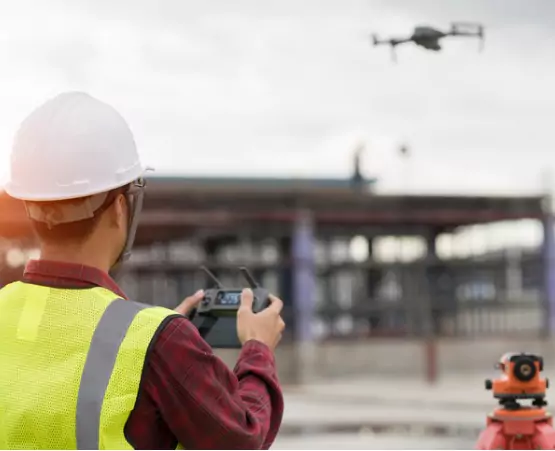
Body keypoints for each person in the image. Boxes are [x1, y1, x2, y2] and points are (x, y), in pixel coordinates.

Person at [0, 92, 286, 450]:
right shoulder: (160, 342)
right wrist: (258, 348)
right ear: (121, 207)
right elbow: (242, 440)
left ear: (30, 206)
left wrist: (156, 334)